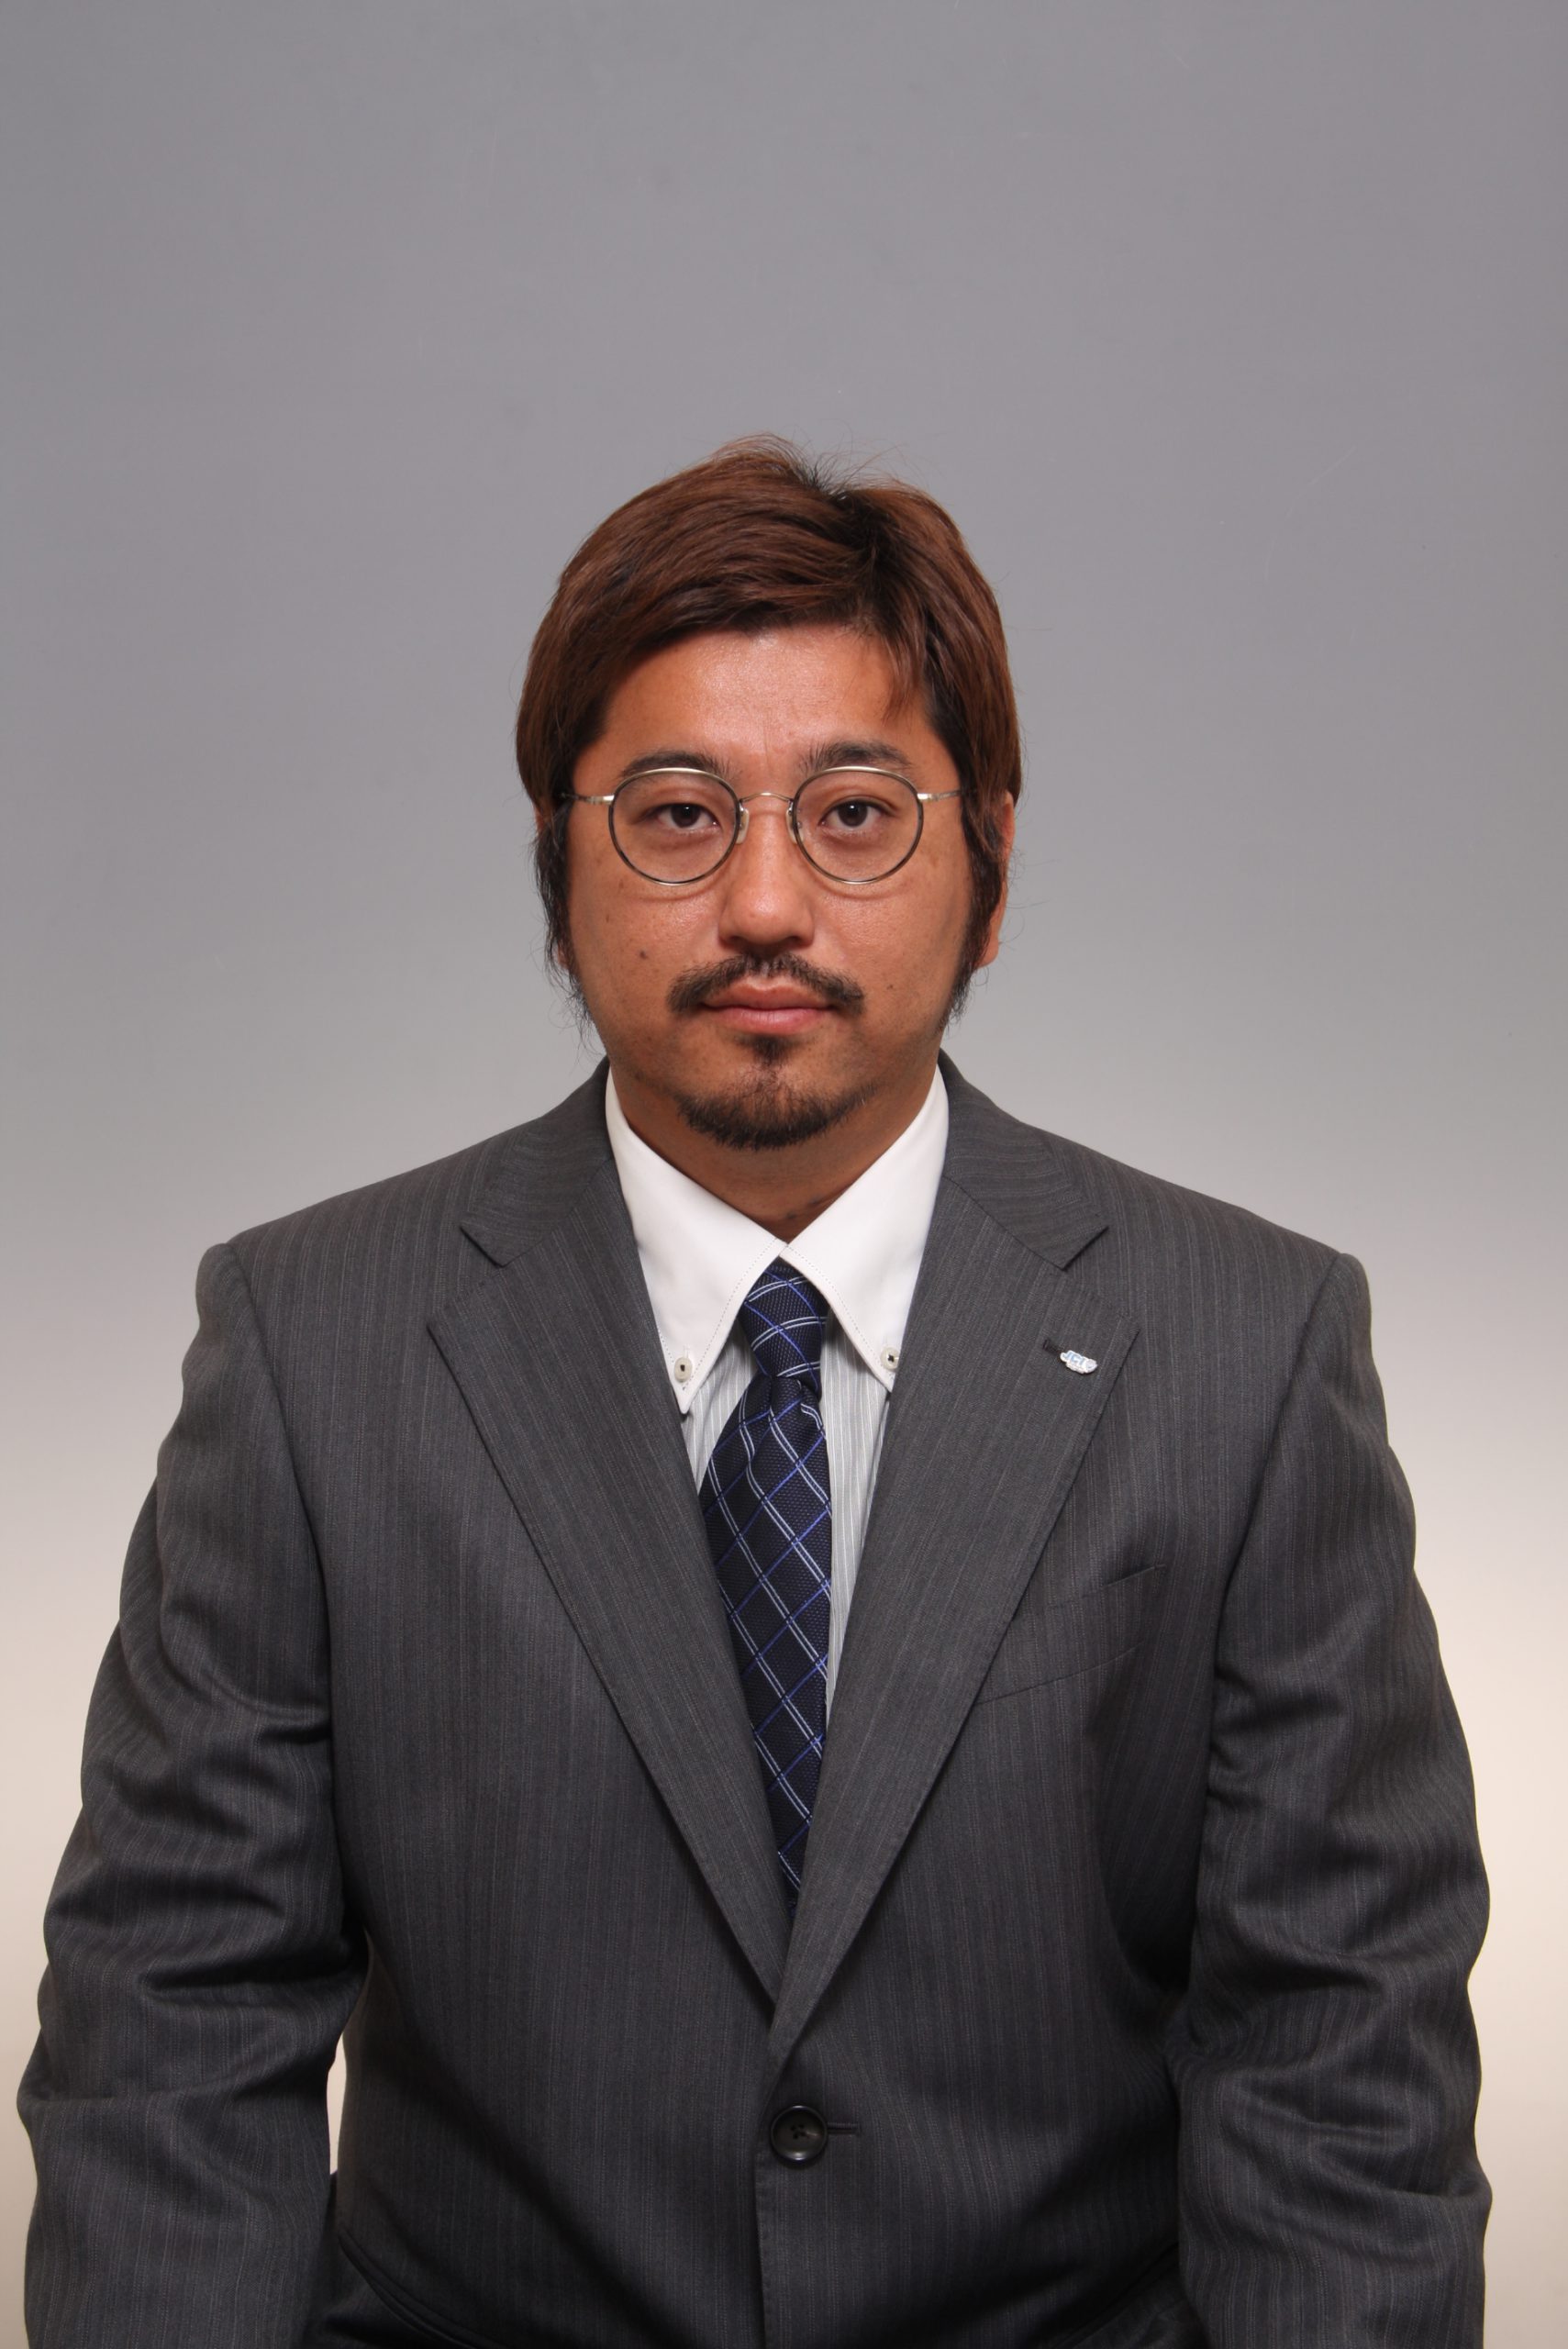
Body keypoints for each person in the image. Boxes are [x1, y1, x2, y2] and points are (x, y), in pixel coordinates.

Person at [20, 440, 1488, 2348]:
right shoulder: (313, 1343)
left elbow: (1339, 2051)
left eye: (858, 813)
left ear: (992, 866)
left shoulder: (1246, 1343)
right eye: (677, 816)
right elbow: (173, 2028)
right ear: (558, 863)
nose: (767, 903)